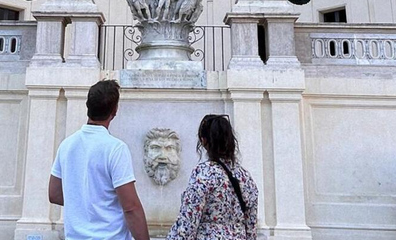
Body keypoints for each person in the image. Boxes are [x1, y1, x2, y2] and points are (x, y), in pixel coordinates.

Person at [49, 79, 150, 240]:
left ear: (88, 106)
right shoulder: (115, 149)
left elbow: (54, 194)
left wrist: (84, 203)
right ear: (115, 110)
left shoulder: (66, 145)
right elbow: (130, 207)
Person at [167, 114, 259, 240]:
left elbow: (188, 223)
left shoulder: (204, 173)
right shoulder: (245, 177)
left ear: (204, 140)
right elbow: (251, 225)